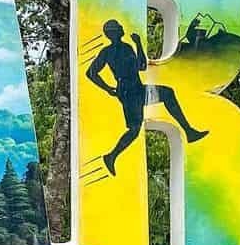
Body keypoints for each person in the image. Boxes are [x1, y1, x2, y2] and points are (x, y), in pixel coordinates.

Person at [85, 19, 208, 175]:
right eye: (118, 27)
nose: (122, 28)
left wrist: (138, 44)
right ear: (113, 33)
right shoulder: (107, 52)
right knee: (135, 129)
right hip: (127, 91)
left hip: (138, 88)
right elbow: (91, 73)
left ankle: (189, 131)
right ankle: (111, 156)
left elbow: (142, 66)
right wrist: (108, 88)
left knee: (167, 93)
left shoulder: (127, 47)